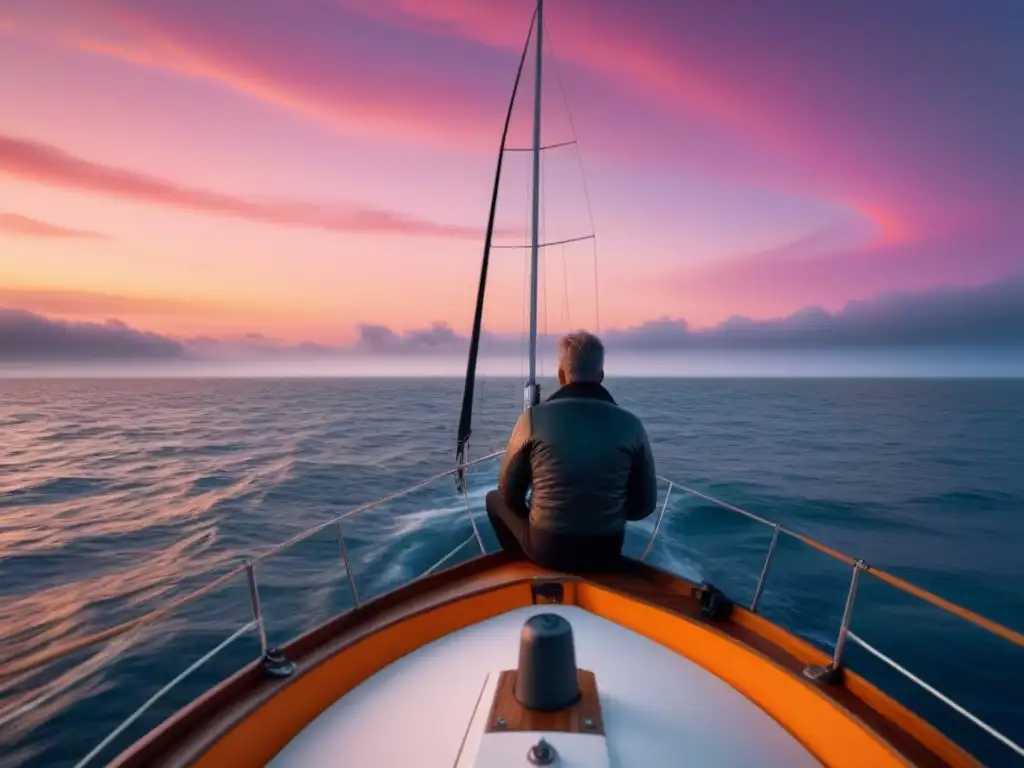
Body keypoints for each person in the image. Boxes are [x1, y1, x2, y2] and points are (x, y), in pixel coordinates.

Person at [485, 330, 658, 572]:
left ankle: (521, 568)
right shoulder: (632, 425)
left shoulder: (533, 418)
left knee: (493, 499)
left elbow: (508, 494)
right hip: (606, 552)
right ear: (601, 376)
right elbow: (643, 508)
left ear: (561, 375)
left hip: (548, 550)